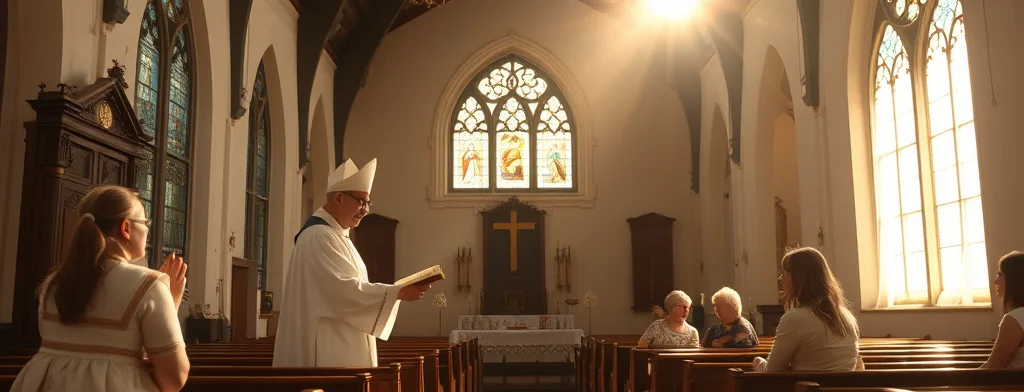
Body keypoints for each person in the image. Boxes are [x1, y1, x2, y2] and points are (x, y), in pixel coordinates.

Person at [10, 185, 189, 392]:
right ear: (126, 228)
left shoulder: (53, 283)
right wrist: (170, 299)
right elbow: (174, 379)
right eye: (145, 222)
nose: (147, 230)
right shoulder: (148, 284)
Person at [273, 158, 432, 368]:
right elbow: (345, 291)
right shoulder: (320, 237)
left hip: (339, 340)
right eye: (361, 201)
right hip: (328, 349)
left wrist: (396, 292)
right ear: (339, 198)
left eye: (368, 203)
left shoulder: (336, 236)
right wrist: (397, 292)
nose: (365, 210)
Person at [754, 247, 860, 372]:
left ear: (797, 279)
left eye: (785, 274)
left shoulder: (794, 318)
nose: (781, 279)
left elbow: (772, 371)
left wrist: (759, 364)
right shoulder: (847, 316)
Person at [981, 251, 1024, 368]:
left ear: (1014, 279)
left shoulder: (1015, 318)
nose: (995, 281)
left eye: (1000, 274)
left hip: (1014, 386)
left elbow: (993, 369)